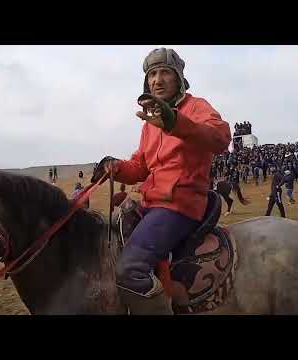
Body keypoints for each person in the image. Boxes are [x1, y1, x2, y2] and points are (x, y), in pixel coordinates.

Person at [91, 48, 231, 314]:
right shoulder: (149, 122)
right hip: (151, 204)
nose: (157, 80)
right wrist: (116, 167)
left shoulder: (196, 107)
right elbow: (140, 167)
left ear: (178, 78)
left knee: (129, 269)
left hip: (180, 206)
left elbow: (221, 139)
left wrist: (174, 121)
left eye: (165, 72)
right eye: (152, 75)